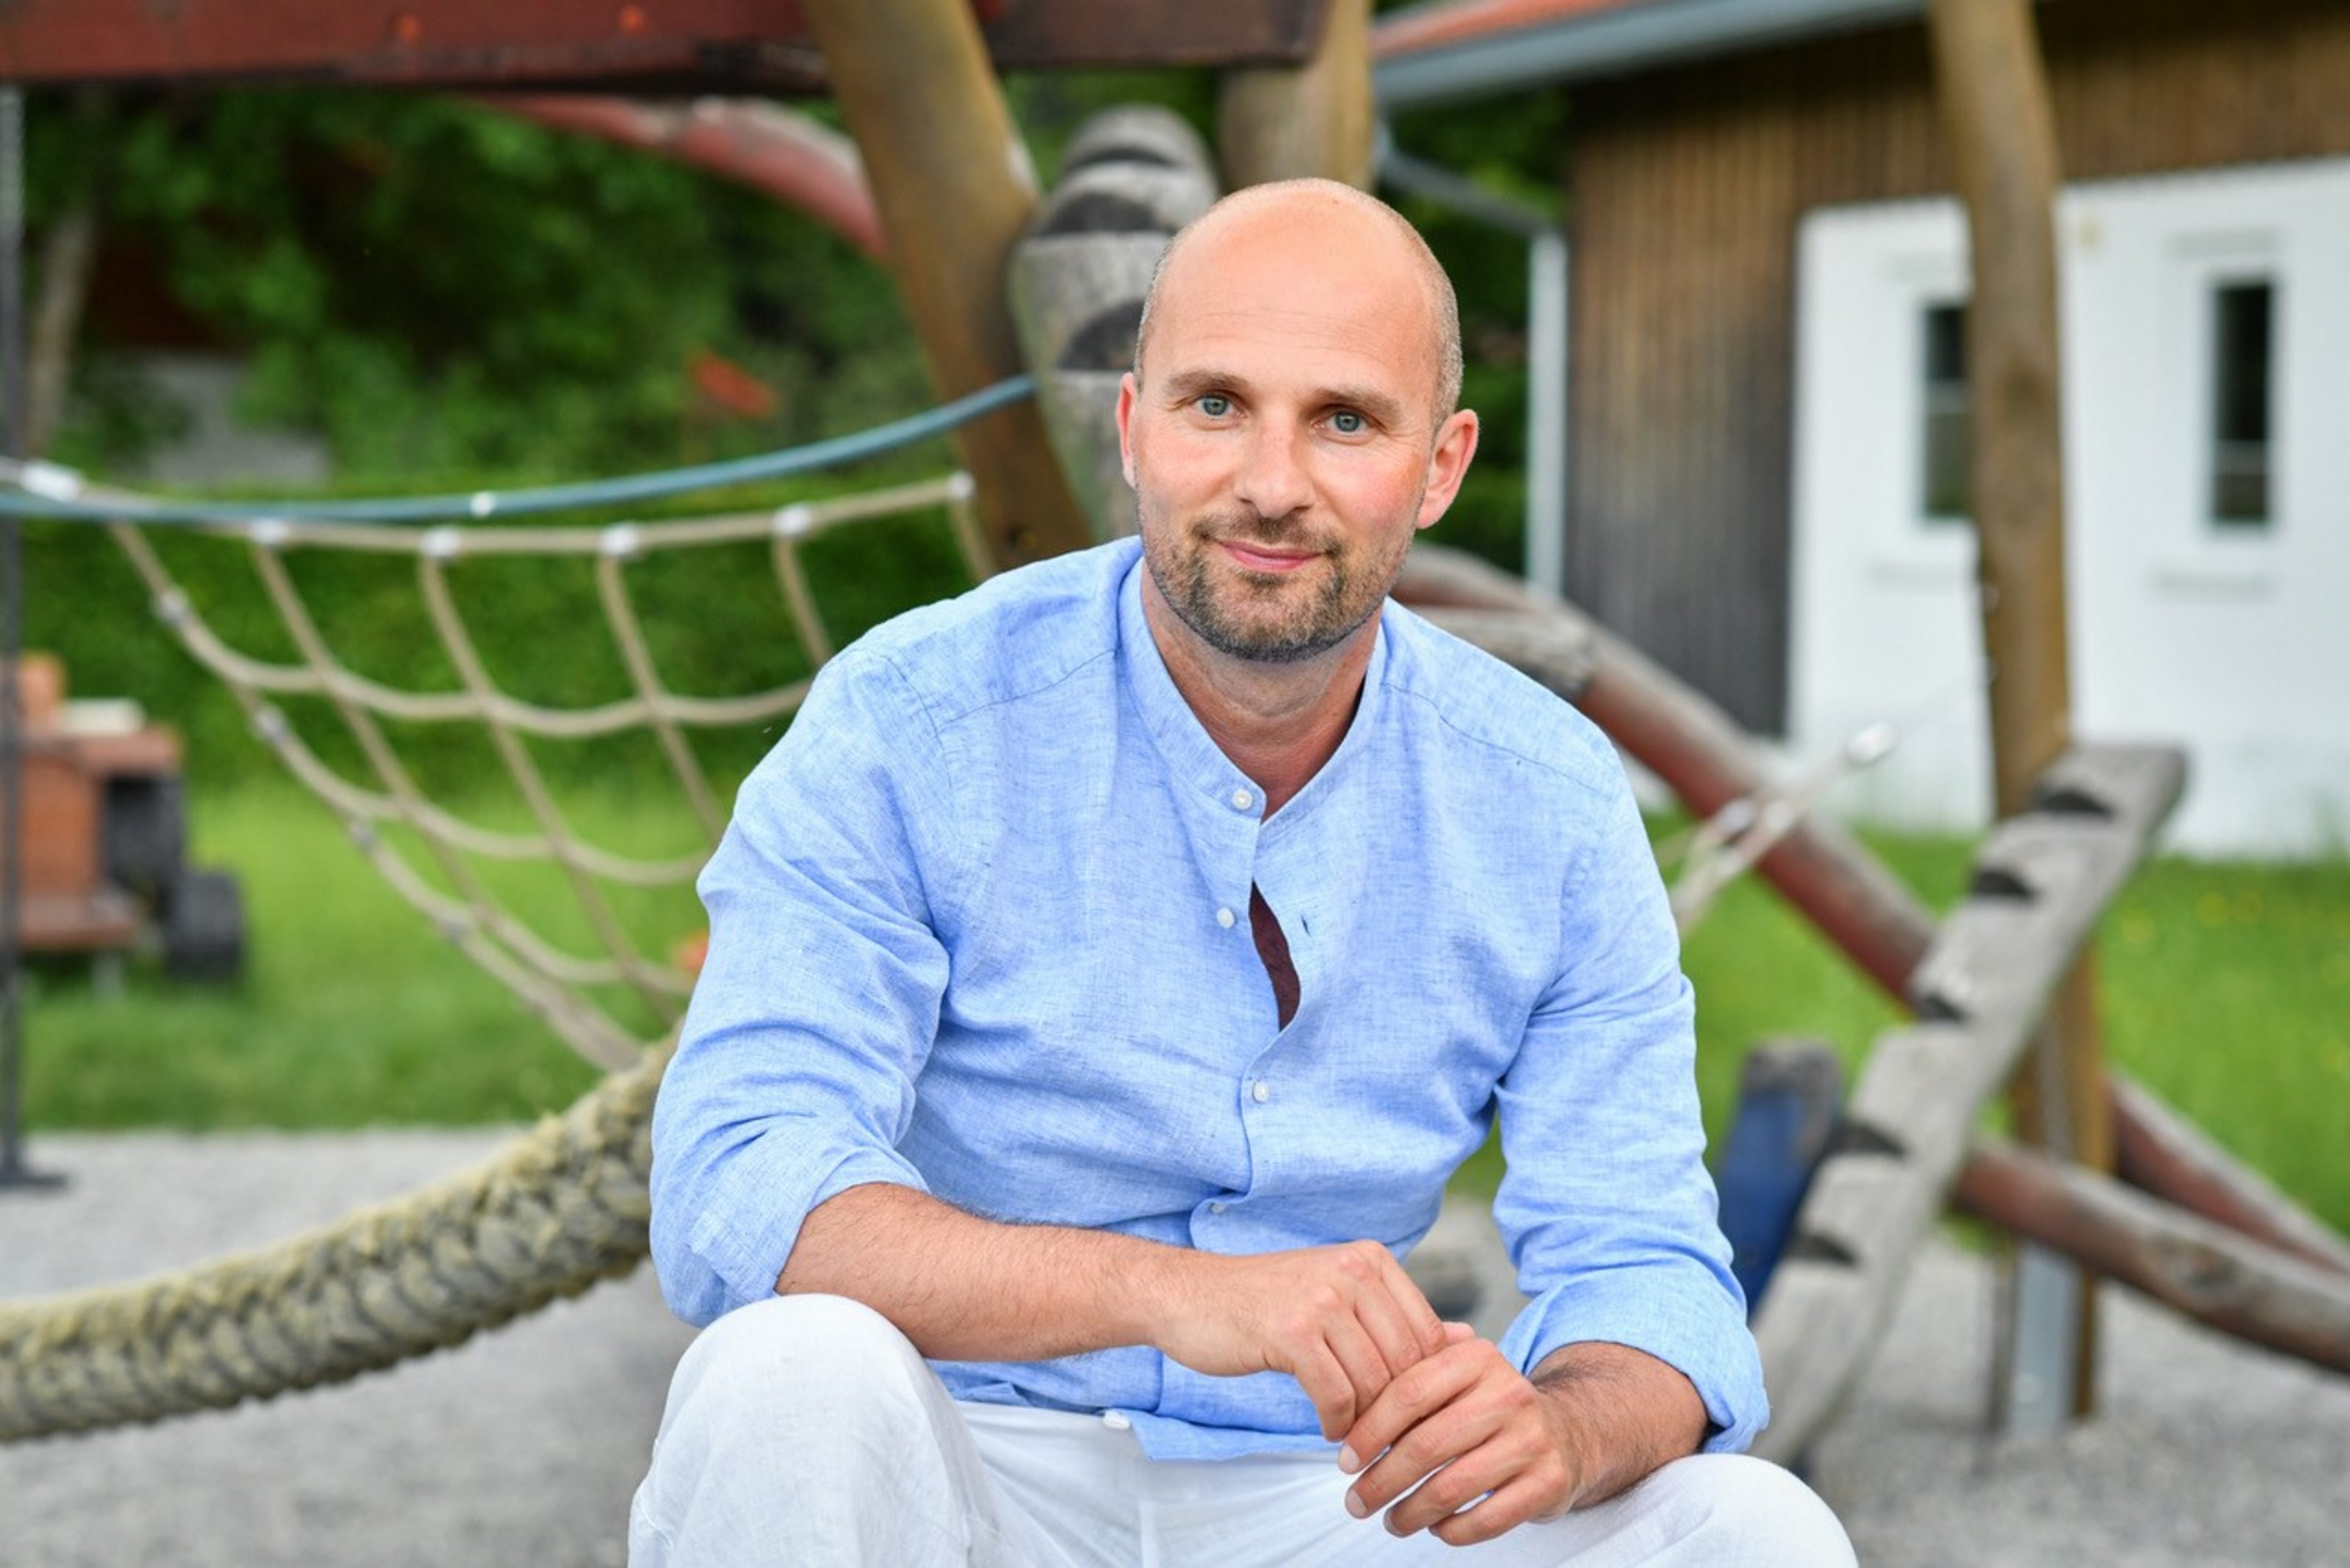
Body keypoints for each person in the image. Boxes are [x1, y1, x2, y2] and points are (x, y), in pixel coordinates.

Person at [630, 178, 1854, 1566]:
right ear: (1134, 427)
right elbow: (742, 1181)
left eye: (1344, 419)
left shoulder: (1550, 799)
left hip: (1336, 1496)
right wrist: (1172, 1294)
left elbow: (1644, 1267)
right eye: (1216, 403)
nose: (1273, 483)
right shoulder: (908, 722)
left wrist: (1563, 1430)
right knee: (787, 1374)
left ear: (1441, 465)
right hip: (967, 1462)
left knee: (1753, 1530)